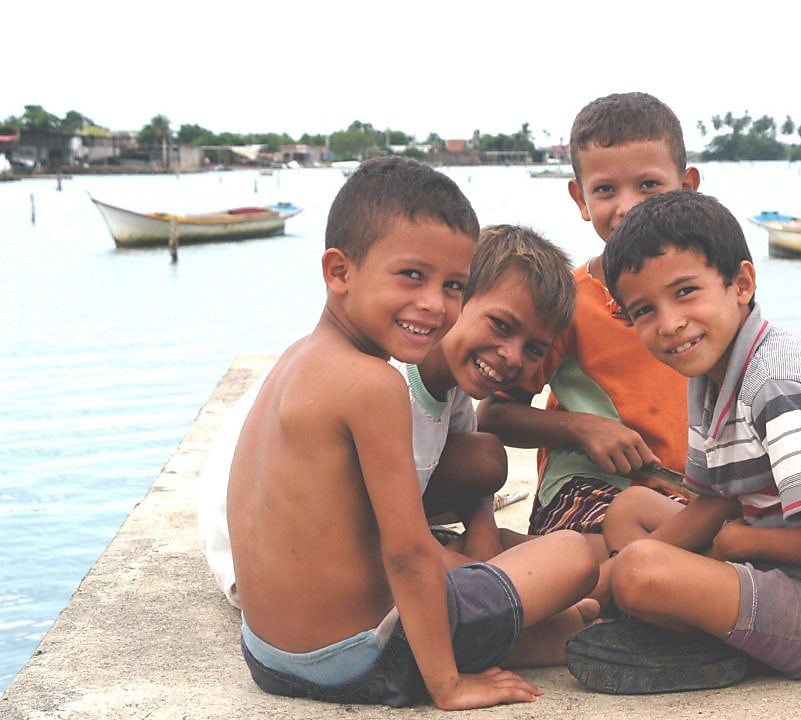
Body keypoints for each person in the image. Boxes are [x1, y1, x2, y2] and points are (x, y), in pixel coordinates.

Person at [227, 156, 598, 710]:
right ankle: (559, 635)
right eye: (411, 276)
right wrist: (448, 684)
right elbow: (406, 554)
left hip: (269, 655)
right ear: (339, 271)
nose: (433, 304)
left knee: (565, 607)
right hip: (360, 658)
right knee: (574, 558)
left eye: (454, 285)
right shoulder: (375, 385)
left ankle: (560, 631)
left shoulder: (295, 360)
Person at [567, 189, 801, 694]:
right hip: (790, 567)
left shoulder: (777, 388)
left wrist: (742, 542)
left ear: (741, 283)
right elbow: (716, 501)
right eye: (644, 309)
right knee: (631, 511)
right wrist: (596, 584)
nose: (670, 324)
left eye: (685, 291)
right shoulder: (714, 372)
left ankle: (703, 633)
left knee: (643, 574)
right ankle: (646, 612)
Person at [198, 223, 575, 603]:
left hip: (333, 529)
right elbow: (373, 540)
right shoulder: (381, 384)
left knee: (489, 467)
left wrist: (482, 532)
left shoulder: (450, 377)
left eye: (534, 350)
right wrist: (479, 576)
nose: (512, 356)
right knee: (554, 581)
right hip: (274, 568)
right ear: (454, 300)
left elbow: (472, 467)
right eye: (501, 325)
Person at [477, 92, 701, 559]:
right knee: (610, 555)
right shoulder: (569, 302)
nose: (628, 208)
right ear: (580, 198)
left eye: (649, 186)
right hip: (589, 495)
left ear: (688, 187)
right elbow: (494, 415)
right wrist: (582, 430)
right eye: (605, 191)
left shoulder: (709, 299)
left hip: (682, 494)